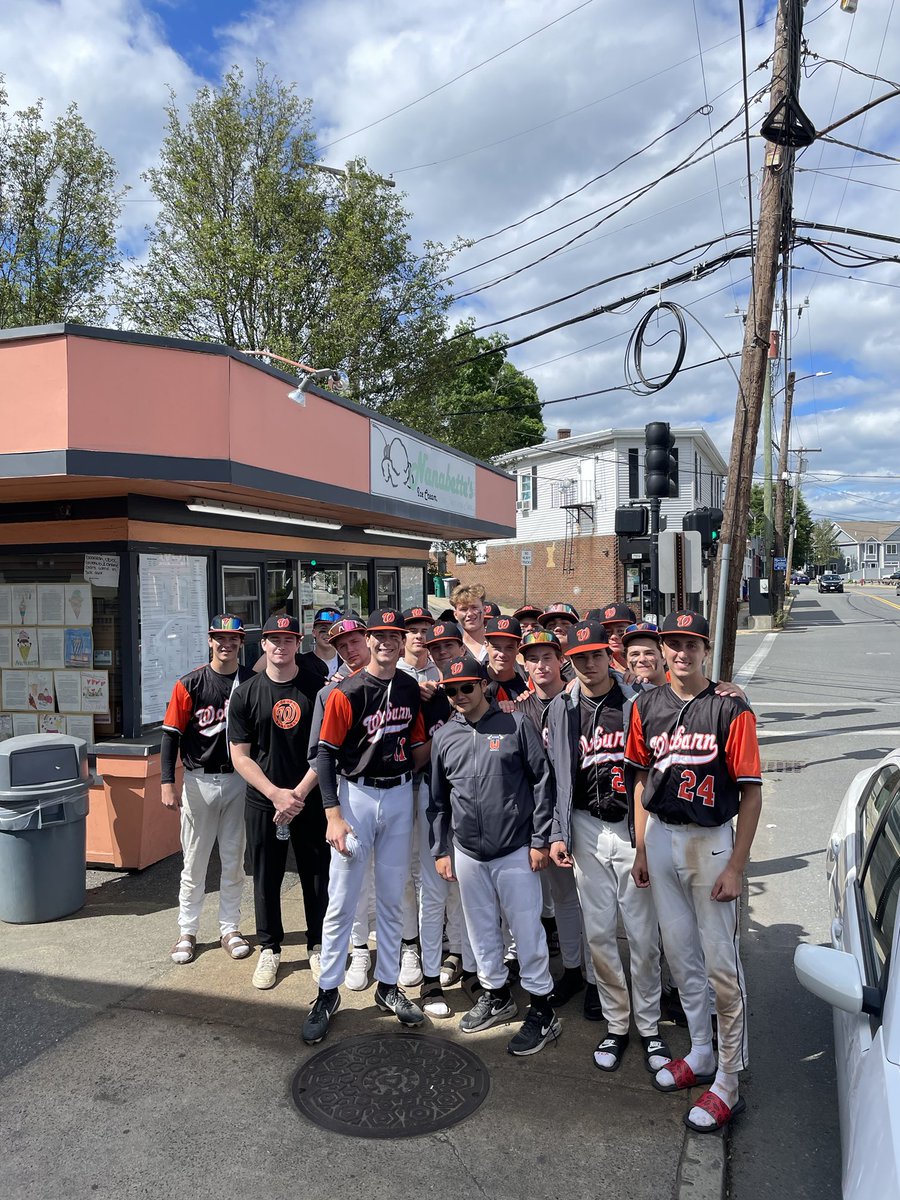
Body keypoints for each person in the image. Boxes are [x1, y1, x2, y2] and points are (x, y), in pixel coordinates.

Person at [626, 610, 763, 1133]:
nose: (681, 652)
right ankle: (702, 1050)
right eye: (673, 642)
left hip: (710, 842)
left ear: (706, 649)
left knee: (722, 966)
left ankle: (729, 1079)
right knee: (681, 956)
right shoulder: (646, 705)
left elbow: (751, 793)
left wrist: (737, 865)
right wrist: (641, 847)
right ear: (663, 648)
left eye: (691, 643)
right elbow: (641, 780)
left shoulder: (730, 706)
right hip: (662, 836)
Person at [546, 620, 669, 1075]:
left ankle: (650, 1026)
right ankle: (617, 1024)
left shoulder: (638, 700)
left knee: (642, 936)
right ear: (570, 662)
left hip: (631, 827)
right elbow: (555, 777)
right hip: (584, 826)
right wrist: (558, 831)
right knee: (598, 934)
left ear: (608, 655)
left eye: (596, 654)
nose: (590, 664)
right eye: (580, 658)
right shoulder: (561, 708)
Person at [302, 609, 429, 1044]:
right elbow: (324, 754)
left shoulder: (409, 687)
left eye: (394, 635)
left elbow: (418, 743)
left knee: (393, 896)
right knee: (342, 898)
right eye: (379, 635)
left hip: (399, 793)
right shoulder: (347, 691)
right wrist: (332, 814)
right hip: (356, 795)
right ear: (369, 639)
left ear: (401, 640)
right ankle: (327, 991)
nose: (386, 642)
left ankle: (388, 986)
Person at [429, 651, 561, 1056]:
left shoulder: (515, 723)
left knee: (526, 930)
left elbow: (542, 782)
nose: (459, 695)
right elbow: (438, 801)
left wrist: (540, 839)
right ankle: (497, 994)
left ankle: (542, 1008)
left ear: (483, 685)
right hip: (468, 850)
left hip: (515, 847)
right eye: (451, 691)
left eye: (466, 687)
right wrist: (440, 849)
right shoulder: (444, 736)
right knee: (481, 929)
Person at [229, 614, 323, 990]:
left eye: (288, 640)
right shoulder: (246, 693)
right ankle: (270, 947)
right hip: (264, 799)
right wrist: (274, 793)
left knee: (316, 874)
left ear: (298, 643)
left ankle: (317, 944)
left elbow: (326, 749)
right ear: (263, 644)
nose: (280, 646)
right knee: (266, 876)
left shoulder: (317, 689)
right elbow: (240, 755)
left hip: (309, 797)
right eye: (274, 640)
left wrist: (297, 794)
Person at [518, 629, 601, 1019]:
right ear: (525, 665)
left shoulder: (578, 699)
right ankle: (572, 971)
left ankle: (599, 980)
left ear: (560, 660)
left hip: (586, 811)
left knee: (595, 904)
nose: (540, 665)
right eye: (533, 658)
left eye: (547, 657)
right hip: (547, 816)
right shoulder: (519, 710)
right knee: (565, 898)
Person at [162, 614, 254, 965]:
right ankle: (187, 930)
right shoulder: (190, 683)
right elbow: (171, 735)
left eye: (233, 638)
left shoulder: (251, 681)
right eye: (220, 637)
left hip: (238, 779)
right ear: (210, 640)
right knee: (194, 860)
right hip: (198, 778)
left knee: (234, 859)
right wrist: (167, 782)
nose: (225, 643)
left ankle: (229, 927)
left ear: (241, 642)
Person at [484, 615, 529, 703]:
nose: (502, 654)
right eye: (496, 647)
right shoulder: (473, 681)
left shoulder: (525, 691)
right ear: (486, 646)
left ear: (518, 648)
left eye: (509, 648)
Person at [587, 603, 637, 675]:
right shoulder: (598, 668)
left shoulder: (645, 662)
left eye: (621, 631)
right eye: (607, 632)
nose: (613, 636)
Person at [451, 582, 489, 662]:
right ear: (455, 614)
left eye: (474, 607)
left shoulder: (497, 645)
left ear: (484, 610)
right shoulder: (452, 649)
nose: (470, 614)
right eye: (464, 609)